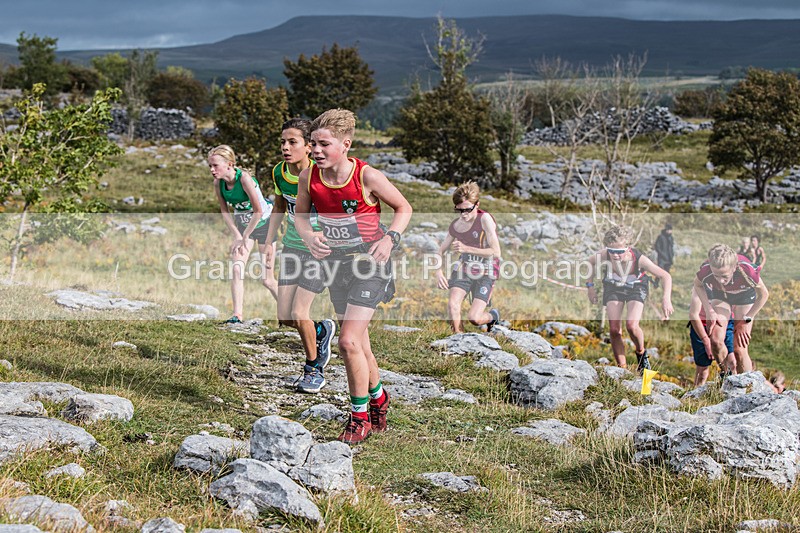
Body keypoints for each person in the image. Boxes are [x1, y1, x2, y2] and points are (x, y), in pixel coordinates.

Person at [294, 109, 412, 444]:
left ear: (345, 144)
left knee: (347, 341)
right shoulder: (308, 178)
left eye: (324, 144)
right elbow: (301, 217)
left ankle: (358, 417)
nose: (316, 151)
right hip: (337, 265)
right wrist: (309, 237)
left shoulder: (366, 176)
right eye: (313, 144)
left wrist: (391, 239)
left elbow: (403, 208)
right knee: (359, 343)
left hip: (370, 265)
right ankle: (379, 398)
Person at [264, 119, 336, 394]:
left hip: (319, 250)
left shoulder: (322, 174)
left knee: (298, 310)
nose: (285, 147)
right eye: (283, 141)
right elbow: (280, 206)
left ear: (309, 146)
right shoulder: (280, 172)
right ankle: (320, 331)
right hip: (292, 245)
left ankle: (313, 369)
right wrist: (268, 240)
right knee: (284, 316)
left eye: (292, 142)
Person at [586, 225, 674, 372]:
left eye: (619, 252)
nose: (614, 255)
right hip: (613, 287)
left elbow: (665, 276)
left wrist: (666, 299)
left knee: (631, 325)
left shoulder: (639, 259)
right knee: (614, 330)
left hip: (636, 287)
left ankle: (641, 354)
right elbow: (590, 263)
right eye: (611, 251)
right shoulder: (605, 254)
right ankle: (623, 369)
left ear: (628, 248)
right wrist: (590, 287)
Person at [209, 144, 278, 323]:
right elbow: (224, 210)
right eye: (210, 166)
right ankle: (237, 315)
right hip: (243, 226)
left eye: (215, 165)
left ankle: (292, 315)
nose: (212, 170)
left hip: (264, 225)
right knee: (237, 268)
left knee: (267, 280)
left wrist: (245, 236)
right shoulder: (218, 183)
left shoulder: (245, 179)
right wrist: (238, 235)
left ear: (229, 164)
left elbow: (258, 211)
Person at [434, 181, 501, 334]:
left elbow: (496, 252)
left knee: (475, 318)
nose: (464, 215)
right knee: (453, 305)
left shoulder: (485, 219)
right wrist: (438, 272)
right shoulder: (456, 225)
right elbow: (440, 251)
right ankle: (458, 338)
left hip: (487, 269)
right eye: (459, 210)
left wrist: (466, 249)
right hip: (465, 267)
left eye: (467, 210)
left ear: (477, 204)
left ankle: (493, 316)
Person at [693, 243, 769, 374]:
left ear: (734, 268)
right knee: (716, 341)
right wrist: (709, 310)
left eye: (724, 276)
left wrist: (747, 320)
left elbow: (764, 295)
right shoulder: (706, 269)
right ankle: (727, 376)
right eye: (716, 275)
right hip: (721, 296)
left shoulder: (747, 271)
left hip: (744, 296)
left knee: (739, 348)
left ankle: (746, 385)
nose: (721, 280)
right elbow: (698, 285)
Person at [688, 287, 735, 387]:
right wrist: (706, 341)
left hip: (724, 324)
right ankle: (695, 397)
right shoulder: (699, 286)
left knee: (732, 362)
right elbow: (693, 315)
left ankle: (732, 387)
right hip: (701, 327)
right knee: (702, 372)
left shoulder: (729, 280)